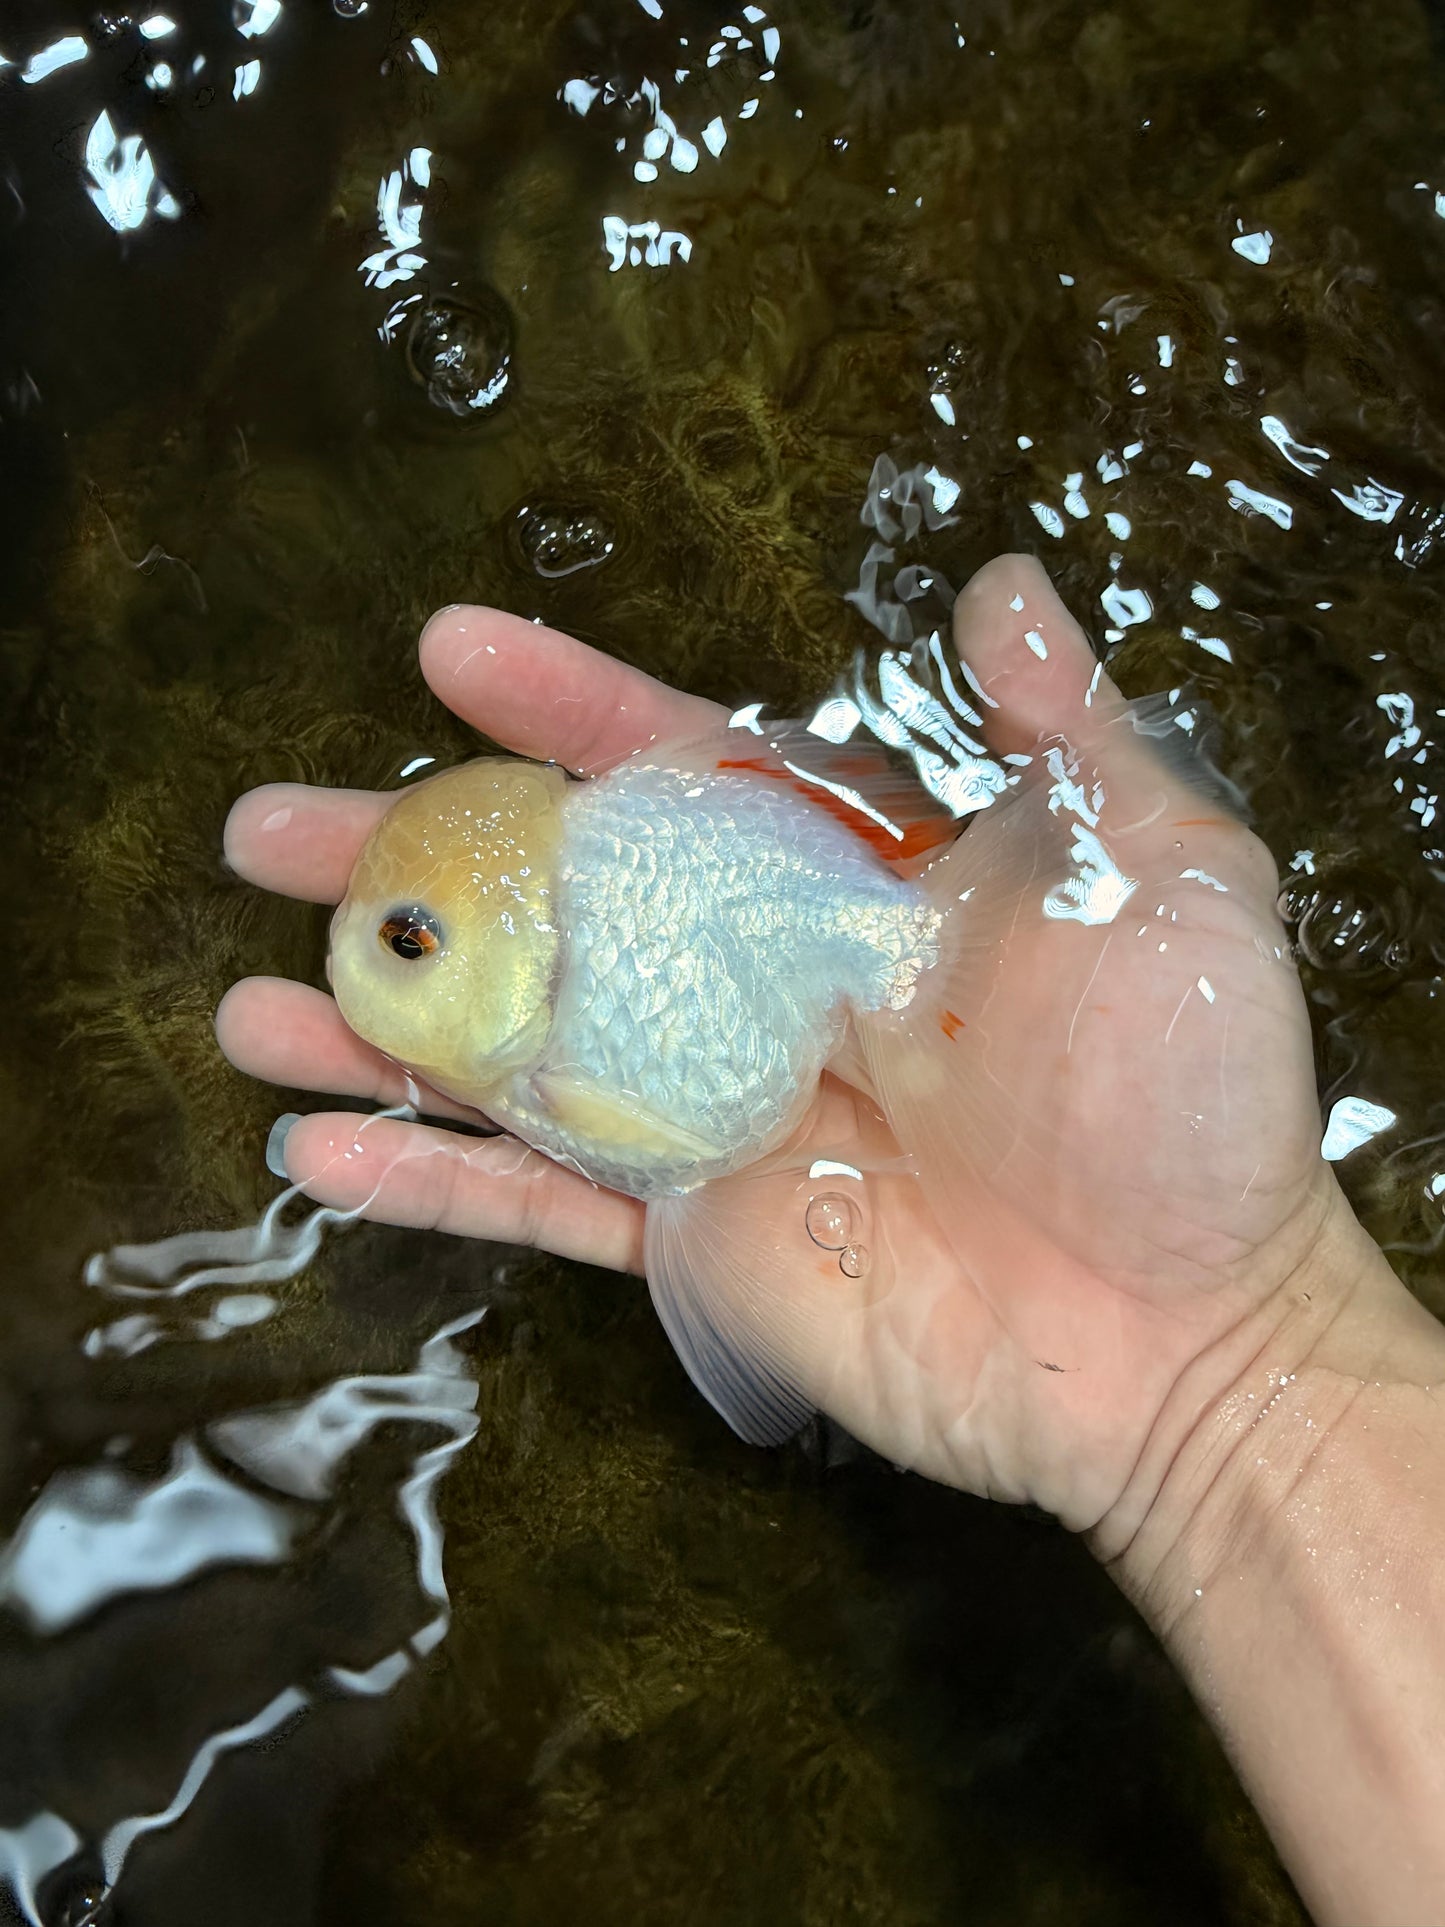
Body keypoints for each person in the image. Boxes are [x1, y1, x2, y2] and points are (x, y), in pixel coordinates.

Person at [217, 555, 1445, 1927]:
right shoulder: (563, 966)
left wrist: (1227, 1370)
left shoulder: (595, 948)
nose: (368, 953)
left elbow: (654, 1133)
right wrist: (1235, 1380)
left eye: (408, 939)